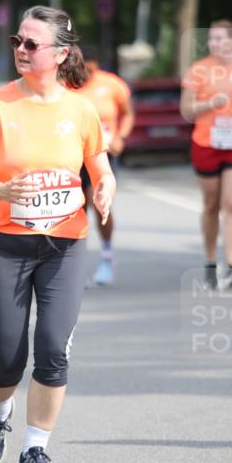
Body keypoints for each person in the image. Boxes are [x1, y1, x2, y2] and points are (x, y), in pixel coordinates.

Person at [0, 5, 116, 463]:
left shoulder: (81, 109)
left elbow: (100, 167)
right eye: (17, 43)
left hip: (65, 244)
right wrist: (1, 191)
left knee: (53, 350)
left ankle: (35, 451)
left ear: (61, 53)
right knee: (7, 359)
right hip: (4, 244)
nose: (21, 51)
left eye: (31, 44)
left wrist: (105, 188)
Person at [180, 20, 232, 290]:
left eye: (220, 38)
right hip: (207, 144)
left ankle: (231, 267)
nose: (214, 43)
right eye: (212, 39)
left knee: (231, 203)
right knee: (211, 204)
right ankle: (209, 264)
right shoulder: (199, 70)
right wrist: (210, 103)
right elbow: (186, 110)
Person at [77, 44, 134, 286]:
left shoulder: (112, 84)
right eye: (81, 69)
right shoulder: (65, 85)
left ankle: (107, 255)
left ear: (96, 65)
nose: (85, 74)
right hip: (71, 154)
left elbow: (128, 113)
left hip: (102, 153)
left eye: (89, 69)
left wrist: (121, 136)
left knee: (97, 203)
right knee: (73, 208)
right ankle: (75, 266)